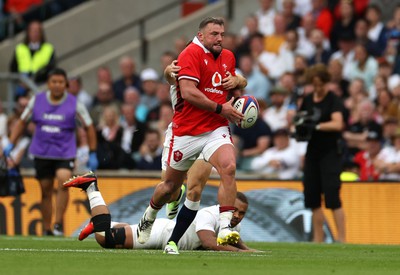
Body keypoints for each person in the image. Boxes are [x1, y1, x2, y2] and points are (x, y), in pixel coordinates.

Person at [136, 17, 247, 254]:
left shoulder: (226, 57)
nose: (219, 38)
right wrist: (222, 107)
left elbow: (234, 84)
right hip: (185, 132)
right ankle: (150, 214)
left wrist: (239, 81)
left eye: (222, 34)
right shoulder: (187, 58)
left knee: (224, 170)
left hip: (215, 129)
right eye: (214, 34)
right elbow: (186, 91)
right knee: (169, 188)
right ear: (200, 37)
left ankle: (223, 228)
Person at [3, 68, 98, 236]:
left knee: (63, 180)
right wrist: (11, 143)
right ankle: (47, 228)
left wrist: (92, 151)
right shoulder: (37, 101)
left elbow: (89, 126)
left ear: (66, 85)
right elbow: (22, 121)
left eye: (60, 82)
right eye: (54, 82)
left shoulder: (74, 103)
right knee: (45, 190)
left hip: (65, 152)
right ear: (48, 84)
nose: (57, 85)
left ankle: (58, 224)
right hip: (42, 152)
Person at [63, 172, 255, 252]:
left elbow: (233, 238)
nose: (237, 215)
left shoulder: (232, 221)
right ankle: (91, 187)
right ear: (226, 203)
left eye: (242, 213)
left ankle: (101, 223)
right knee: (105, 239)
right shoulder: (210, 214)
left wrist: (248, 250)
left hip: (167, 229)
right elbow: (209, 242)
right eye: (235, 210)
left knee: (112, 233)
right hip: (161, 234)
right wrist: (241, 253)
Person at [295, 63, 346, 243]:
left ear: (326, 83)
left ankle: (341, 239)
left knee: (332, 195)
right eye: (314, 84)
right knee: (312, 196)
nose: (317, 88)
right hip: (313, 152)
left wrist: (317, 126)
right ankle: (318, 239)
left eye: (320, 84)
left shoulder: (333, 100)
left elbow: (338, 124)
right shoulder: (308, 99)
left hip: (330, 152)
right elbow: (299, 121)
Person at [9, 20, 56, 95]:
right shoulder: (20, 48)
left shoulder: (48, 48)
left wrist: (35, 79)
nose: (35, 33)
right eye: (33, 31)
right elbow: (13, 68)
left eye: (37, 31)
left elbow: (51, 69)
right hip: (22, 85)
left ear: (41, 33)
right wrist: (22, 82)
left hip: (41, 85)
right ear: (28, 32)